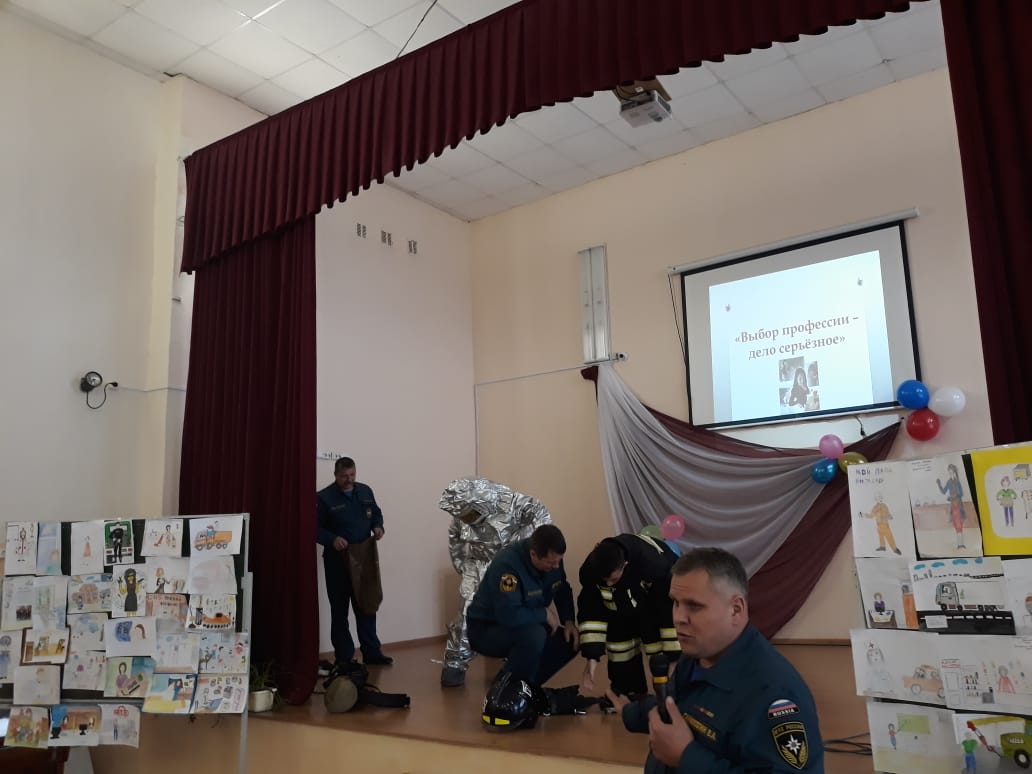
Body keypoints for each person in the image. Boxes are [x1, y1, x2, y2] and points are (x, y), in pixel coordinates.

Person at [608, 547, 823, 772]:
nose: (678, 618)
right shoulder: (696, 656)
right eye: (675, 603)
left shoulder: (773, 693)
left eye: (694, 606)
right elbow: (678, 706)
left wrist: (685, 756)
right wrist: (631, 713)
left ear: (736, 609)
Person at [437, 477, 552, 687]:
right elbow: (455, 537)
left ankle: (512, 667)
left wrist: (518, 549)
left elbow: (542, 517)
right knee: (466, 616)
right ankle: (455, 664)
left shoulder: (512, 503)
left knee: (512, 614)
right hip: (477, 566)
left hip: (509, 567)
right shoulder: (463, 511)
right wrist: (463, 565)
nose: (468, 519)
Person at [467, 524, 579, 707]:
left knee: (569, 641)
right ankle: (505, 693)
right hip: (486, 630)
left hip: (524, 622)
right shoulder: (507, 566)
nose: (556, 566)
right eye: (551, 563)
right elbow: (509, 615)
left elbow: (561, 587)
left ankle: (525, 687)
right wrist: (544, 613)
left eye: (559, 561)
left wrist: (569, 621)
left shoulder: (554, 559)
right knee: (534, 635)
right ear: (533, 554)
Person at [577, 533, 679, 697]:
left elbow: (666, 611)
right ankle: (629, 692)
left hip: (655, 603)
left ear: (625, 565)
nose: (608, 584)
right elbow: (591, 609)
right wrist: (592, 656)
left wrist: (673, 658)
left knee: (657, 650)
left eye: (613, 579)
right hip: (621, 608)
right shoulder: (590, 571)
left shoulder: (653, 565)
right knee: (620, 647)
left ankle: (668, 693)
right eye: (605, 580)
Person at [316, 456, 392, 669]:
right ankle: (344, 657)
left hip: (364, 557)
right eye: (344, 476)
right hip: (338, 562)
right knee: (339, 610)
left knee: (367, 605)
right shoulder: (324, 497)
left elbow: (376, 513)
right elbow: (314, 528)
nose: (349, 480)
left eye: (352, 475)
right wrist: (332, 539)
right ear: (335, 475)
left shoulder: (365, 491)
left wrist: (378, 526)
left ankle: (372, 653)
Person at [937, 464, 968, 549]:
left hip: (958, 505)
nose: (951, 474)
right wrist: (939, 484)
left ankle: (961, 544)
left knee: (959, 524)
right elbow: (943, 492)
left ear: (955, 472)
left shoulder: (957, 482)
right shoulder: (949, 482)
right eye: (949, 472)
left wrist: (953, 497)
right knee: (956, 524)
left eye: (952, 472)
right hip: (953, 507)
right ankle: (959, 544)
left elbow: (961, 494)